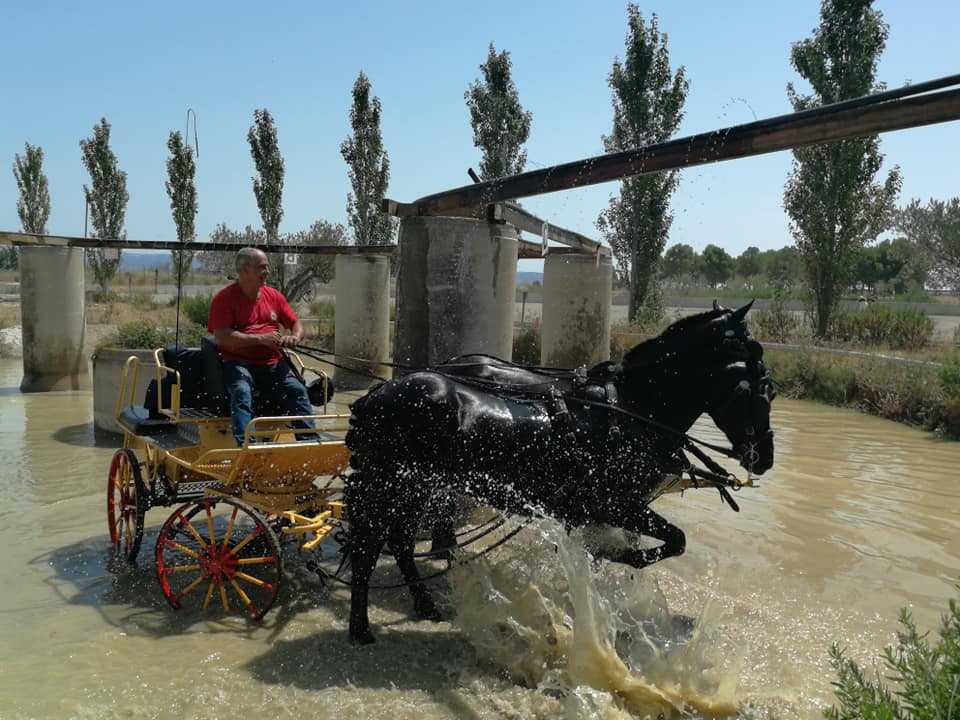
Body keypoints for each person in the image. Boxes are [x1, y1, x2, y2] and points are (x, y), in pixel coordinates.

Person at [207, 247, 314, 446]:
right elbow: (221, 337)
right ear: (245, 269)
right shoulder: (224, 299)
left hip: (273, 362)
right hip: (238, 363)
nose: (267, 272)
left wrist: (294, 337)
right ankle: (248, 445)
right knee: (241, 392)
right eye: (262, 267)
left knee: (297, 390)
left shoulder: (274, 296)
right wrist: (260, 339)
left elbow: (296, 324)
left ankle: (308, 442)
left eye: (267, 267)